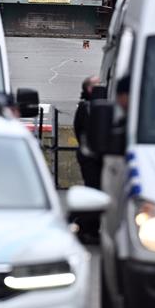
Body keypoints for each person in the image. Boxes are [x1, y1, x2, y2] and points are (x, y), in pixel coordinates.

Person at [72, 76, 102, 243]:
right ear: (90, 89)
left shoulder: (92, 106)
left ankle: (87, 226)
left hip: (91, 155)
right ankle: (84, 227)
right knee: (94, 191)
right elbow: (82, 132)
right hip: (90, 156)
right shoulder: (88, 107)